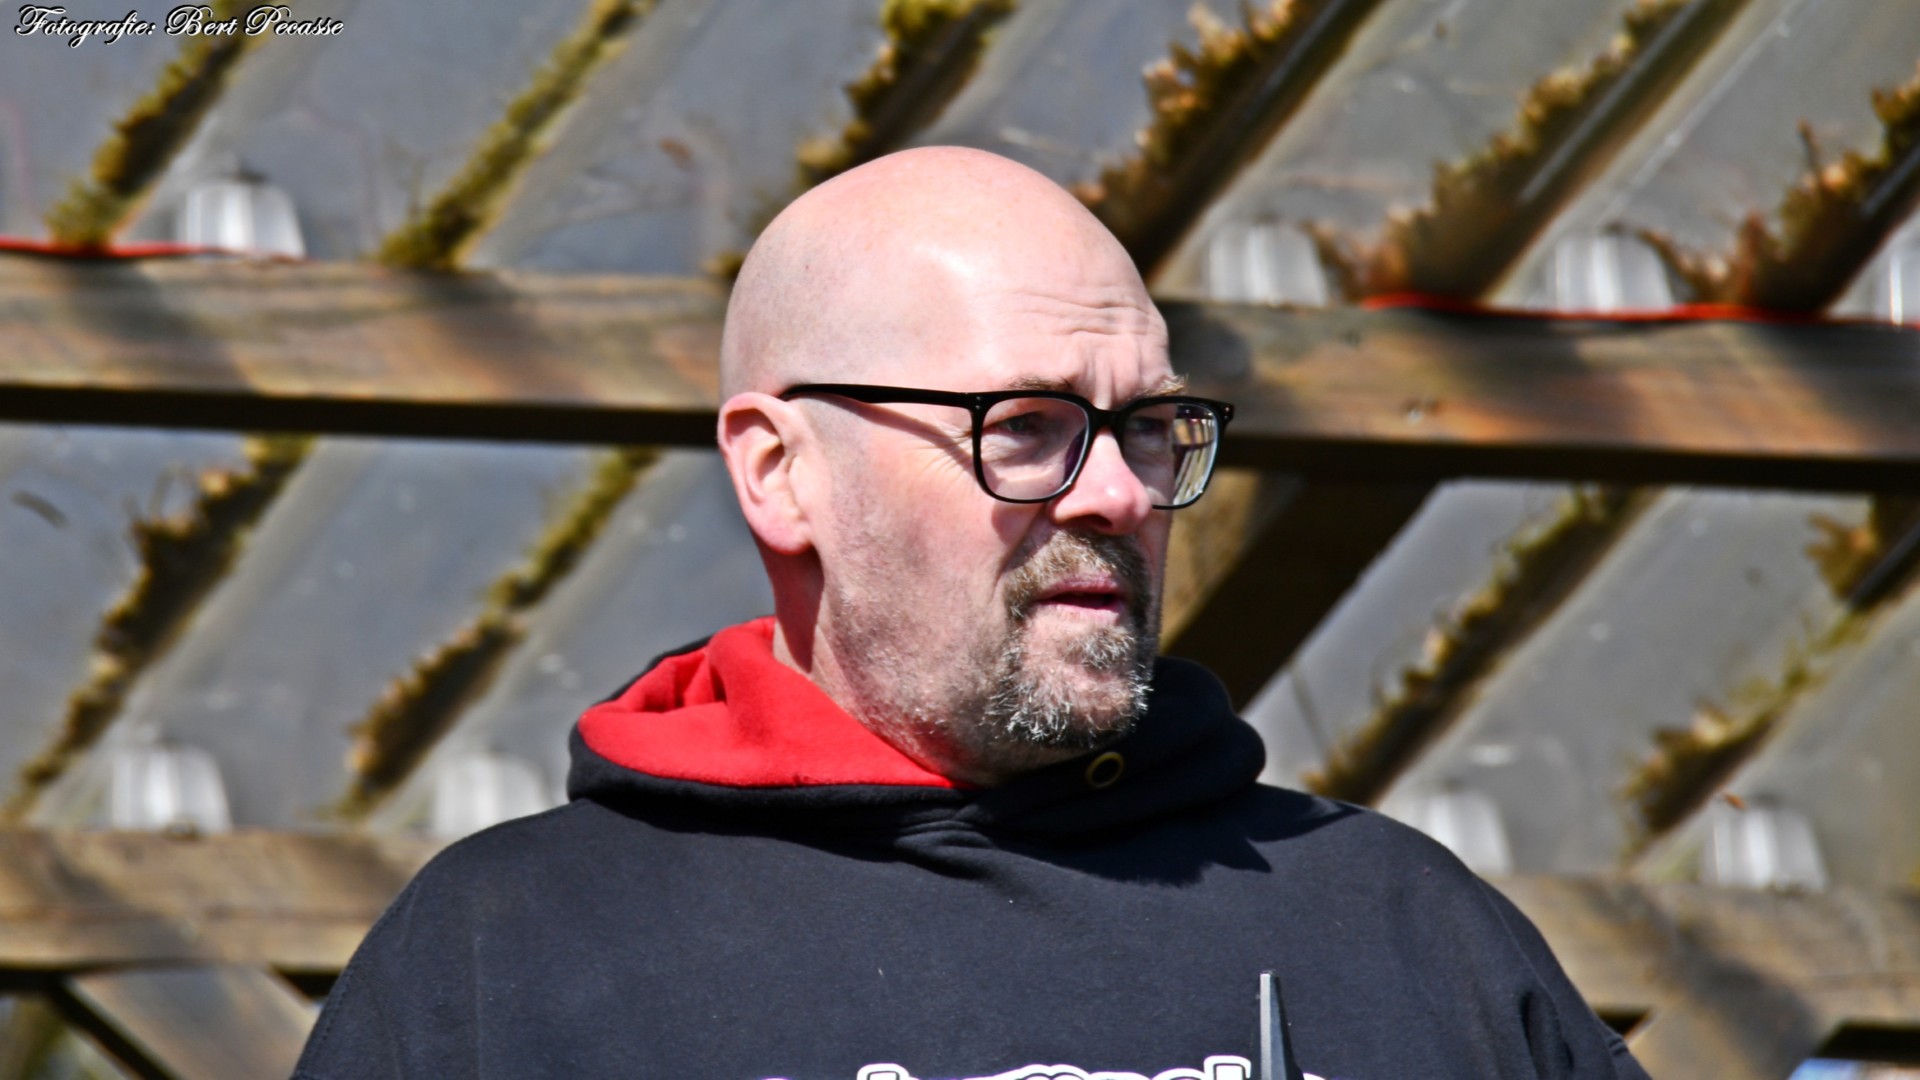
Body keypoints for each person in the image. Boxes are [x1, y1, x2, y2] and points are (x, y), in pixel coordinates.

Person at [293, 147, 1649, 1080]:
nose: (1119, 492)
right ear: (781, 472)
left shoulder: (1398, 935)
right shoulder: (508, 960)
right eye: (1028, 424)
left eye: (1150, 425)